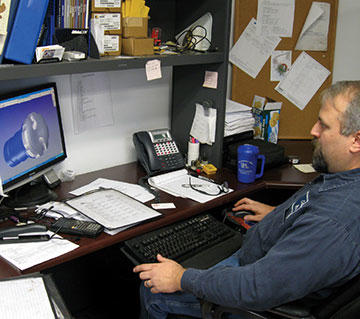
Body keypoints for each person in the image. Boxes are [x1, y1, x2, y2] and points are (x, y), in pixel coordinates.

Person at [134, 81, 360, 319]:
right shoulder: (344, 180)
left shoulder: (333, 223)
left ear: (356, 140)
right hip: (260, 263)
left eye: (324, 125)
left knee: (153, 290)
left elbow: (257, 287)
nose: (313, 130)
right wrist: (279, 215)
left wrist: (180, 278)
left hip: (254, 291)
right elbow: (313, 217)